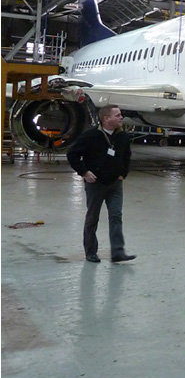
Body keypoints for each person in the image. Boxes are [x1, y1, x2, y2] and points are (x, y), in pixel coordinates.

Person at [67, 104, 136, 263]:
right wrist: (84, 172)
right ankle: (91, 251)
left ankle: (118, 252)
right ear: (106, 118)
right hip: (96, 184)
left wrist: (122, 173)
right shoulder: (90, 136)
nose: (121, 117)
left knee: (116, 216)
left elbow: (126, 156)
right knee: (93, 218)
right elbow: (72, 154)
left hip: (115, 184)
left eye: (120, 115)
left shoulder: (122, 137)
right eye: (117, 115)